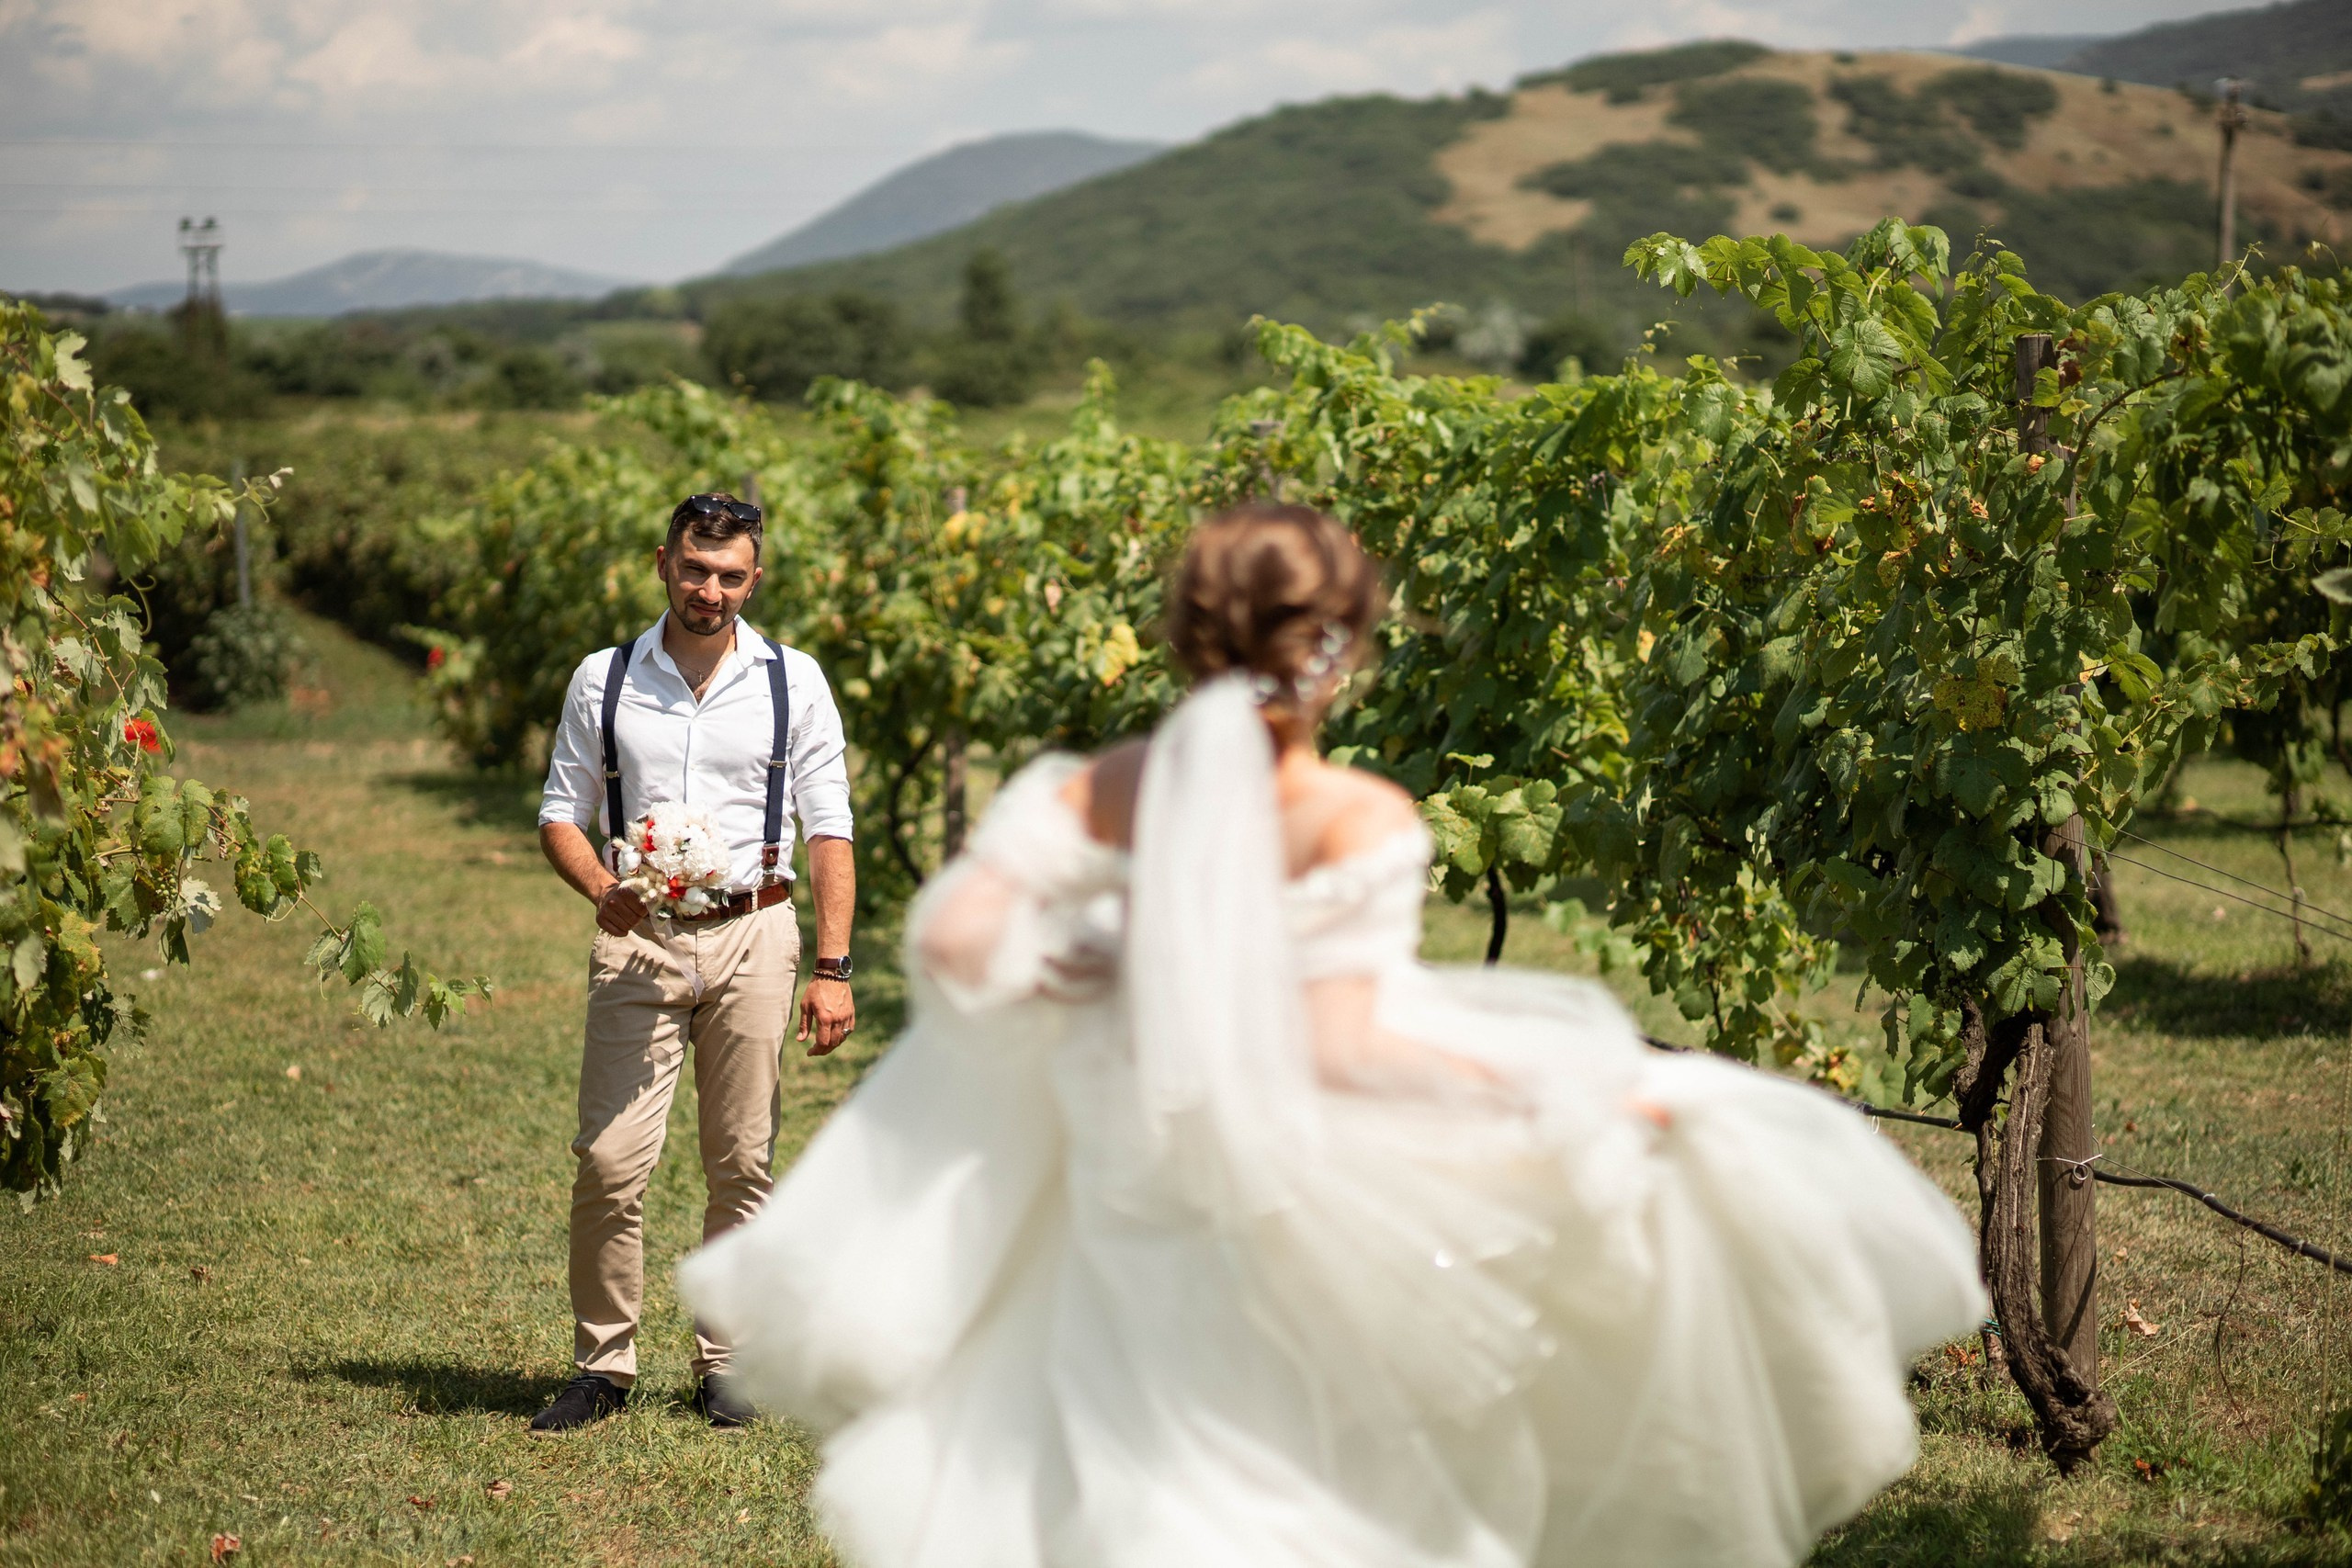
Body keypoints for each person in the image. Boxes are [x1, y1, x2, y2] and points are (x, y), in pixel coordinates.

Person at [680, 503, 1987, 1563]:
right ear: (1338, 643)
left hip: (1118, 1190)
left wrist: (1104, 962)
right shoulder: (1357, 814)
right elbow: (1342, 1047)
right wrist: (1573, 1087)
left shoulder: (1107, 784)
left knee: (1126, 1483)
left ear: (1190, 635)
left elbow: (957, 943)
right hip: (1296, 1202)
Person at [532, 491, 859, 1434]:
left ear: (753, 579)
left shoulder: (794, 681)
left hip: (758, 932)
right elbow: (562, 810)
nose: (707, 589)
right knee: (607, 1160)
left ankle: (727, 1363)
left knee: (742, 1160)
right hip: (638, 940)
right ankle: (603, 1364)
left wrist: (833, 967)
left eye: (728, 575)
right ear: (663, 563)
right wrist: (604, 889)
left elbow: (827, 827)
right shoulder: (605, 677)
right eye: (692, 568)